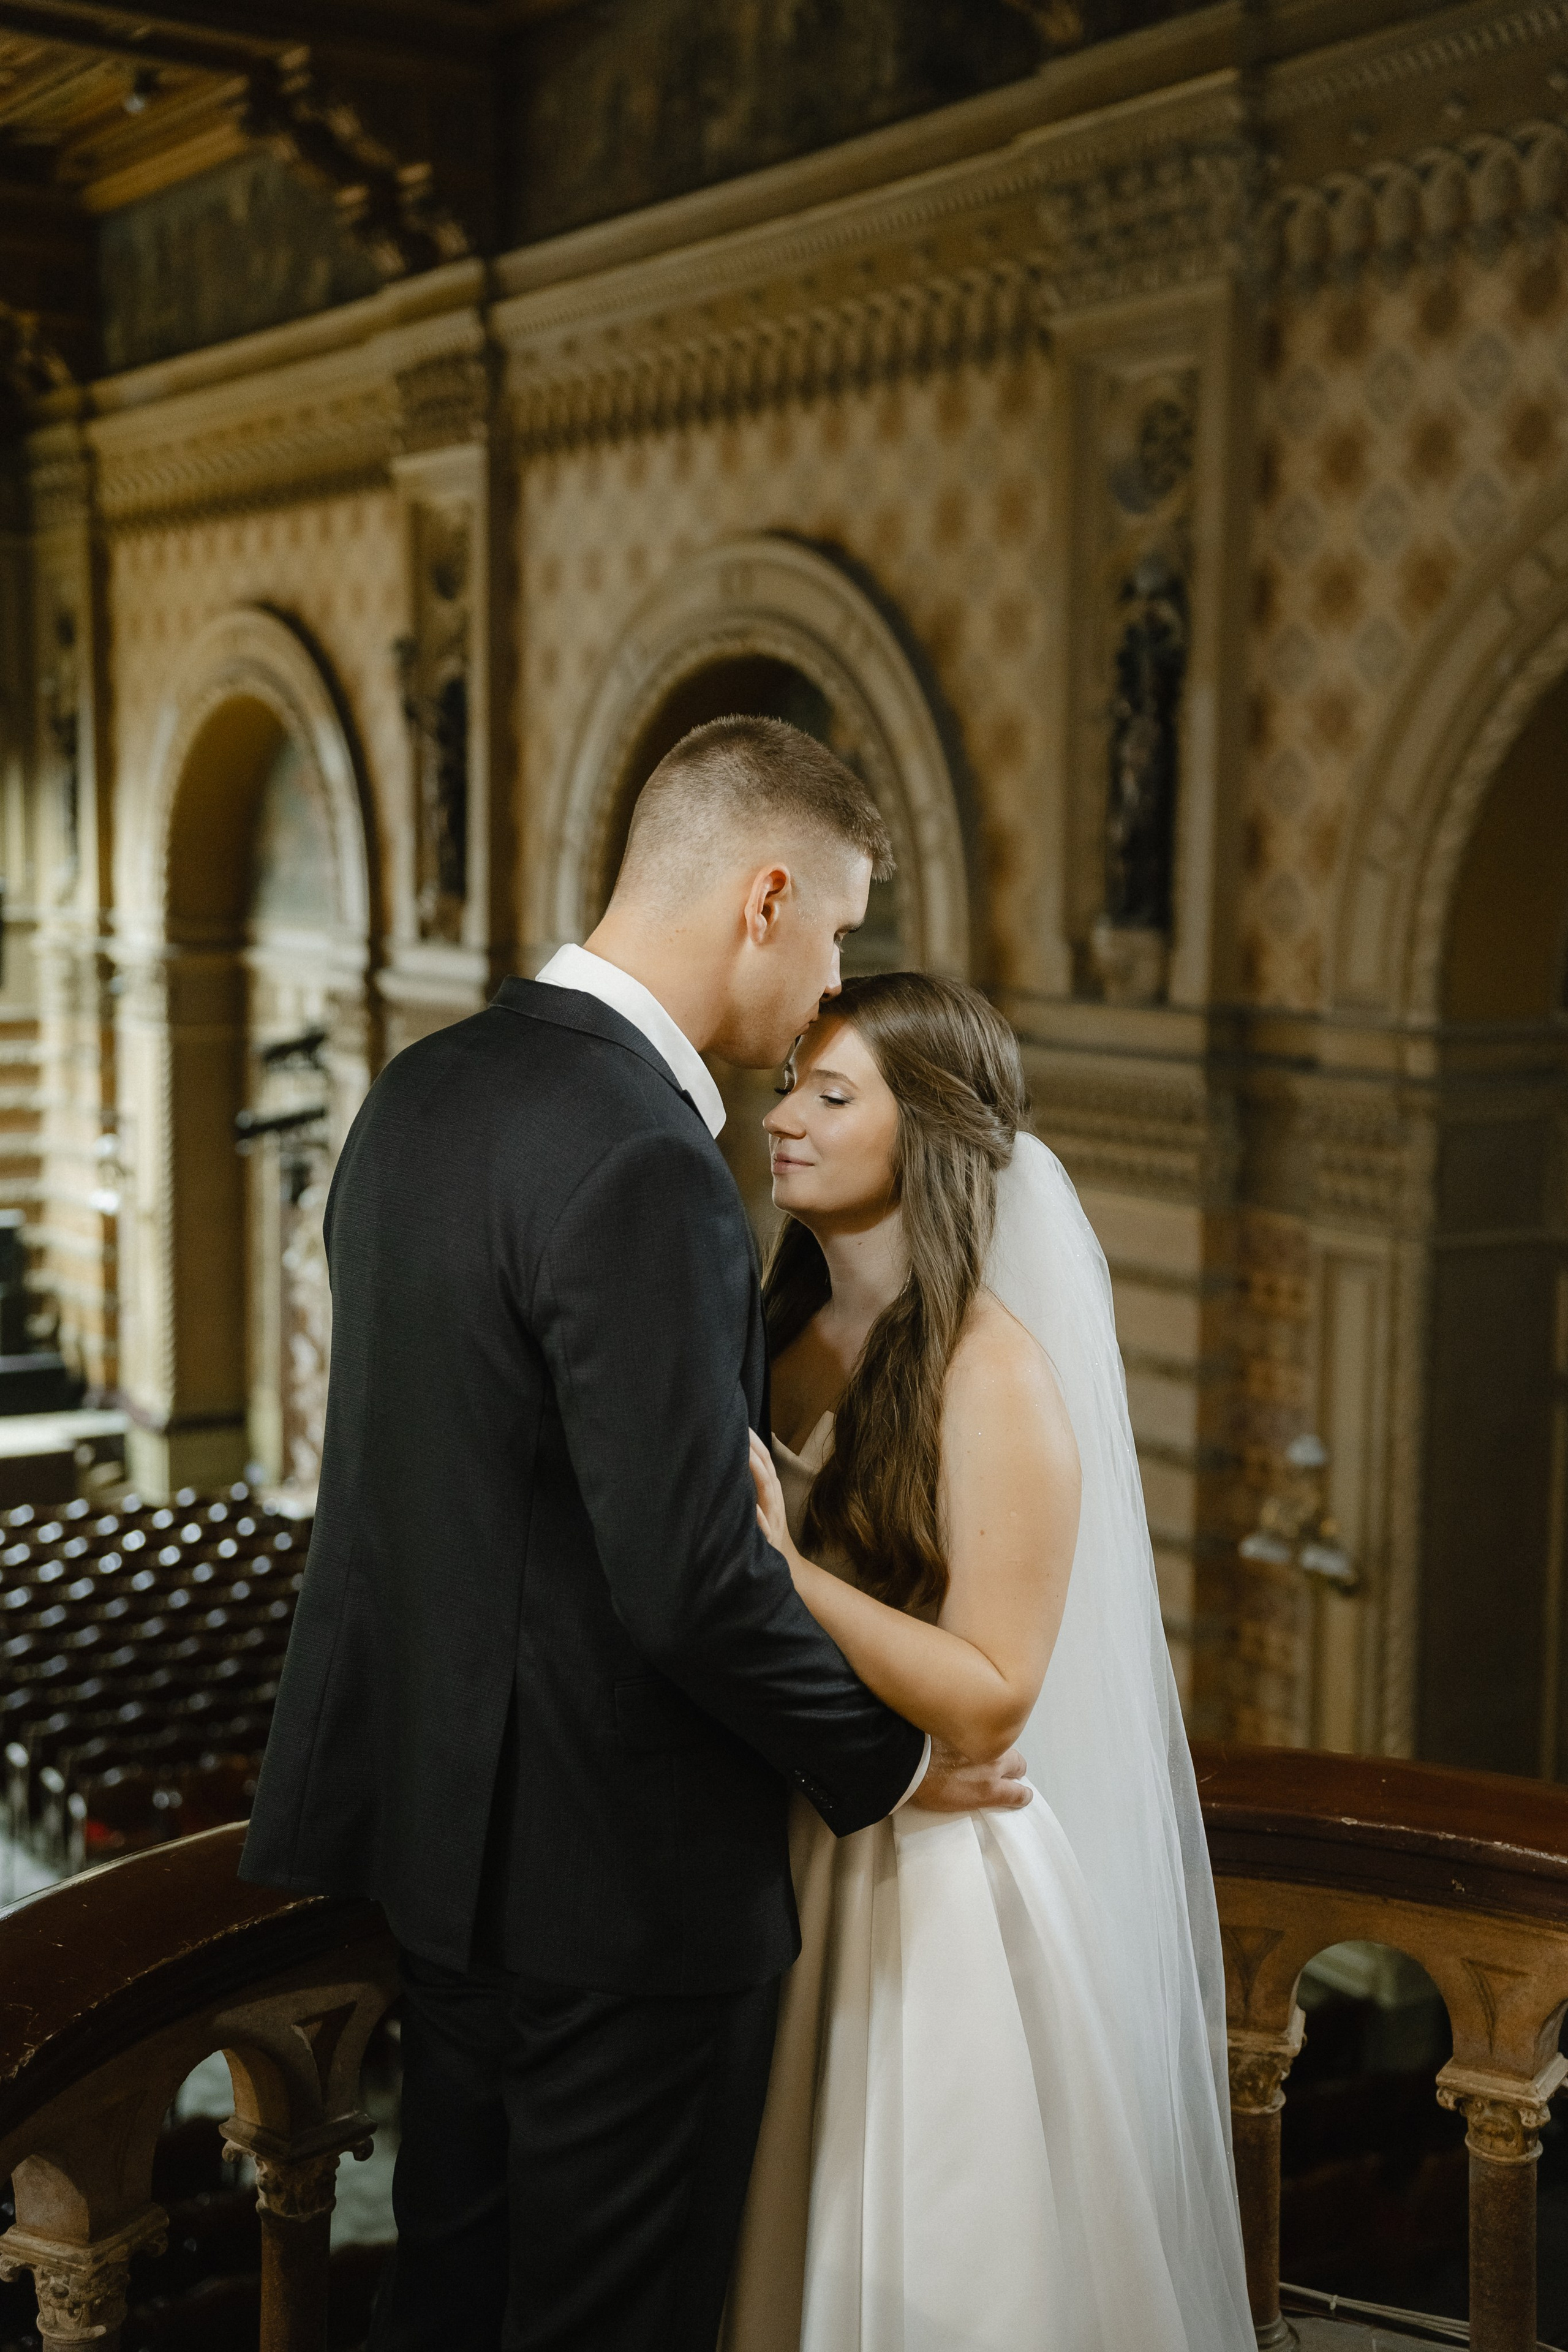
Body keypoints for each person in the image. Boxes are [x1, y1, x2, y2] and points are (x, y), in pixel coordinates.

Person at [239, 717, 1028, 2352]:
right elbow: (684, 1578)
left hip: (443, 1861)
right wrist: (883, 1765)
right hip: (623, 1893)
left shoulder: (425, 1093)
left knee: (454, 2304)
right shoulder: (646, 1161)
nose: (828, 981)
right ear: (762, 897)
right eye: (833, 929)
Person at [722, 971, 1255, 2352]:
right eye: (788, 1084)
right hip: (780, 1836)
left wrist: (780, 1576)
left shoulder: (988, 1370)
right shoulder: (768, 1331)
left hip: (927, 1888)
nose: (782, 1119)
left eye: (830, 1096)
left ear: (932, 1137)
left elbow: (992, 1687)